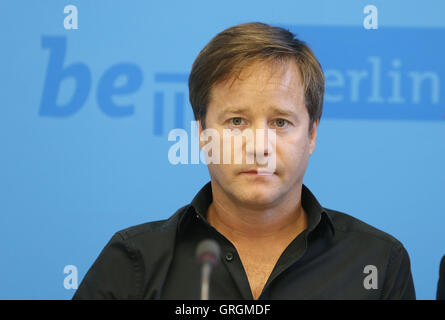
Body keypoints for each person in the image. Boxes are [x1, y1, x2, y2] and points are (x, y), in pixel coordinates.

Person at [72, 22, 415, 300]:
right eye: (236, 122)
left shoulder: (377, 261)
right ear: (203, 134)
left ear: (311, 135)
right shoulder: (134, 261)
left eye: (280, 122)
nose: (258, 146)